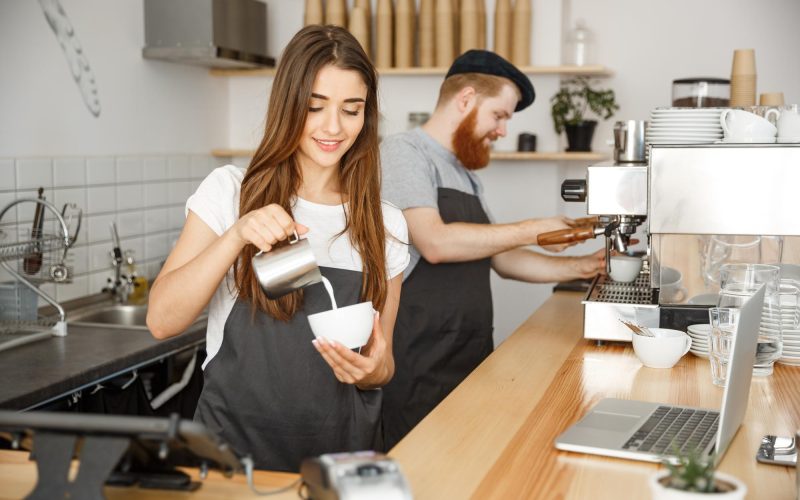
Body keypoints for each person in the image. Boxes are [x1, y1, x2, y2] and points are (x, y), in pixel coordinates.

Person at [146, 25, 409, 472]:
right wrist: (236, 237)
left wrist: (375, 370)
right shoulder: (231, 192)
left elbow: (381, 363)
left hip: (342, 457)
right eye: (315, 106)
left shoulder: (383, 223)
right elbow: (161, 320)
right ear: (289, 106)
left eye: (352, 109)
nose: (333, 127)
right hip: (233, 453)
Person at [379, 50, 605, 449]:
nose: (502, 130)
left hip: (468, 349)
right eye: (499, 115)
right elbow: (434, 242)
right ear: (466, 99)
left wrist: (583, 267)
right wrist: (533, 229)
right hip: (418, 356)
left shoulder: (464, 173)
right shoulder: (403, 153)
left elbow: (501, 258)